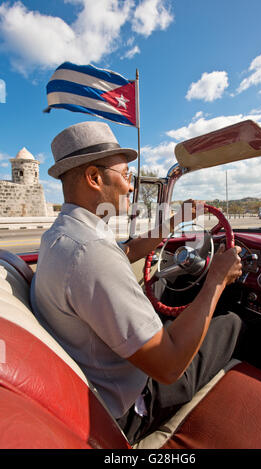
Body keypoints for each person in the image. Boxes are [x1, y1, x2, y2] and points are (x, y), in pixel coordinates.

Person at [30, 121, 243, 445]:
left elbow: (125, 250)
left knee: (162, 290)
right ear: (94, 177)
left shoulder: (62, 234)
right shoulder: (91, 255)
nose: (131, 187)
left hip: (96, 371)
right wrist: (217, 279)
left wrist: (174, 221)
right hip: (130, 404)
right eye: (127, 177)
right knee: (232, 321)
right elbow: (170, 367)